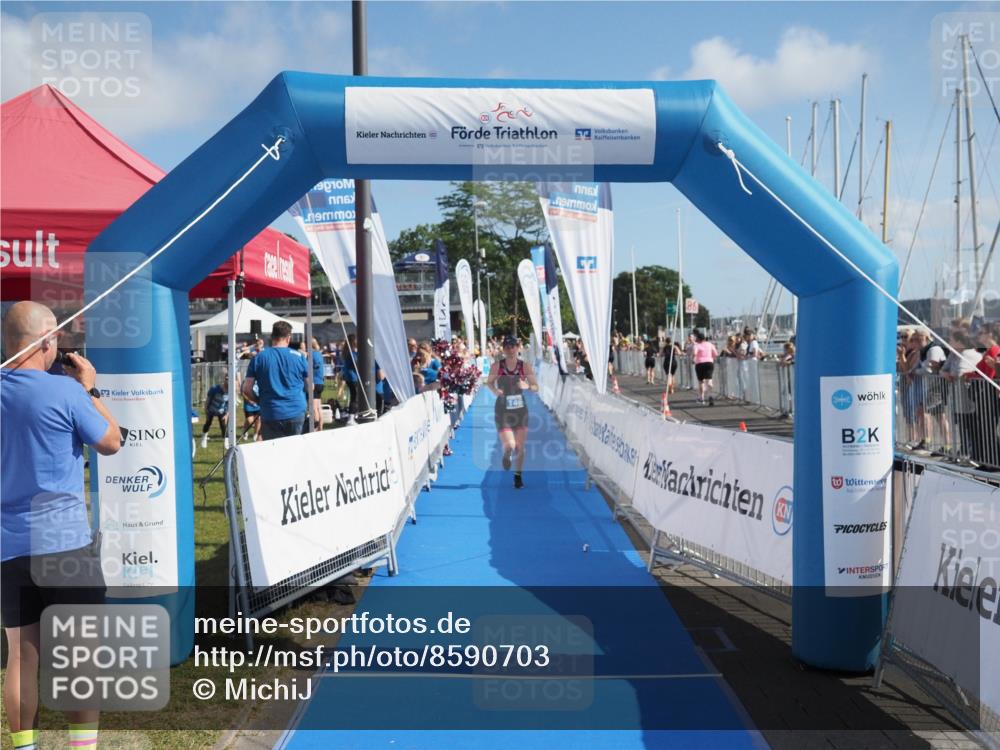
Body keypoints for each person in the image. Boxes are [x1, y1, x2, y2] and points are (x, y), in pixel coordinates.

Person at [1, 302, 123, 750]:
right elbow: (112, 441)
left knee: (20, 657)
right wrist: (90, 389)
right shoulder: (65, 392)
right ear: (47, 340)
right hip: (65, 544)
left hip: (9, 545)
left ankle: (25, 746)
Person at [242, 321, 309, 440]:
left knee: (274, 454)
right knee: (295, 453)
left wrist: (258, 401)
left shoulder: (258, 358)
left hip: (270, 411)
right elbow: (310, 386)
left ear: (272, 337)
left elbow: (246, 389)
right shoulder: (300, 357)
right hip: (296, 410)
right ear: (288, 338)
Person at [487, 335, 539, 489]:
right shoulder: (497, 366)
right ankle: (506, 453)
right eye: (507, 347)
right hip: (502, 409)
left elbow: (536, 387)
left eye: (513, 346)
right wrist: (495, 390)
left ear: (518, 347)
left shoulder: (525, 366)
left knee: (520, 447)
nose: (510, 350)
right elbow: (489, 382)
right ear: (503, 349)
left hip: (520, 410)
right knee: (510, 444)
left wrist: (528, 387)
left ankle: (518, 475)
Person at [200, 374, 230, 449]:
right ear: (224, 379)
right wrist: (206, 410)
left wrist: (227, 414)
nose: (228, 381)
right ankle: (204, 437)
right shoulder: (215, 389)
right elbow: (208, 400)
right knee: (208, 423)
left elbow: (230, 404)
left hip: (222, 411)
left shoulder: (231, 390)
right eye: (227, 379)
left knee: (224, 425)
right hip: (211, 409)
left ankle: (226, 442)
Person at [691, 329, 719, 405]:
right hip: (709, 363)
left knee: (701, 381)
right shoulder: (710, 344)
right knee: (709, 380)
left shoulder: (696, 345)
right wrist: (711, 357)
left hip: (699, 363)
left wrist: (692, 360)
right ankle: (710, 395)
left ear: (698, 339)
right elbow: (716, 354)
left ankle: (701, 398)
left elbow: (694, 354)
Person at [310, 338, 325, 431]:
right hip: (321, 382)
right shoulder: (319, 354)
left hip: (314, 383)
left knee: (314, 407)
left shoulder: (311, 355)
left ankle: (315, 427)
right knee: (319, 407)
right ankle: (321, 427)